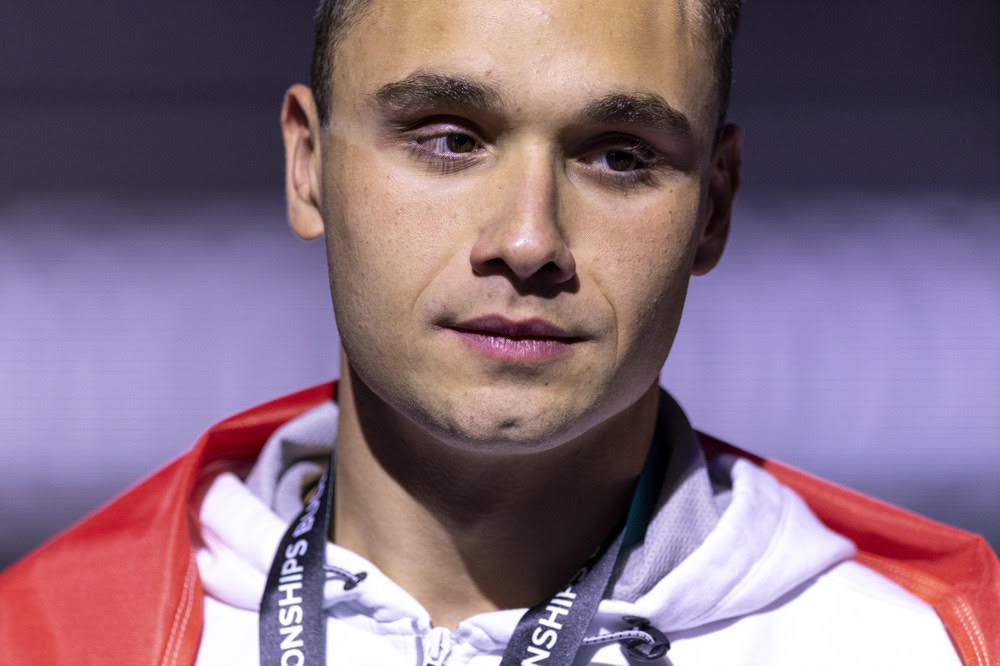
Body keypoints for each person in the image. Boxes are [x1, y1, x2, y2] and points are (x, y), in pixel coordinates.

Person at [1, 0, 997, 663]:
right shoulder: (48, 640)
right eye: (447, 138)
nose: (527, 241)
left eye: (617, 156)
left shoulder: (929, 645)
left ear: (716, 205)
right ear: (307, 164)